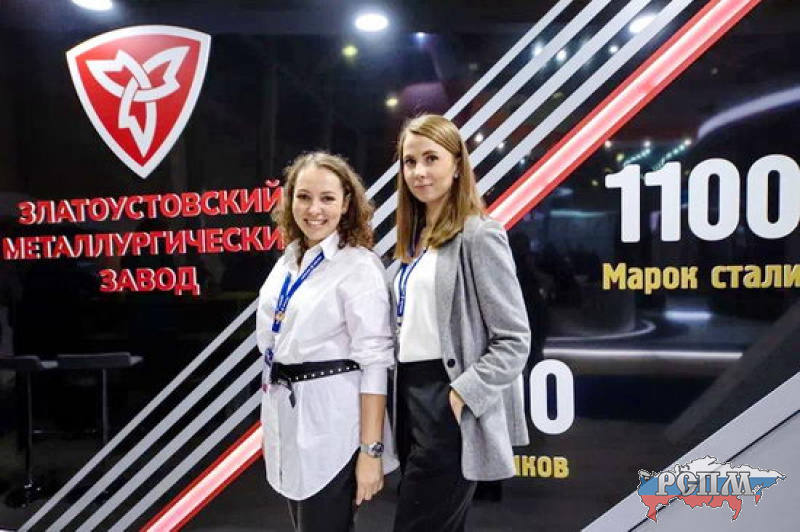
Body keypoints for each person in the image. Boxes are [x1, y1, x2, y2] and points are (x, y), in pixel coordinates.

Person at [390, 115, 531, 532]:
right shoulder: (412, 242)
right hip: (409, 398)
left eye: (431, 158)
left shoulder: (479, 235)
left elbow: (514, 339)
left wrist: (460, 396)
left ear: (456, 165)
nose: (419, 171)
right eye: (410, 161)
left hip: (447, 400)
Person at [256, 152, 397, 532]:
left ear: (346, 203)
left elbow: (375, 364)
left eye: (327, 198)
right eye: (303, 197)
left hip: (335, 429)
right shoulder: (287, 261)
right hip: (288, 421)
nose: (314, 209)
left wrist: (371, 451)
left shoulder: (358, 266)